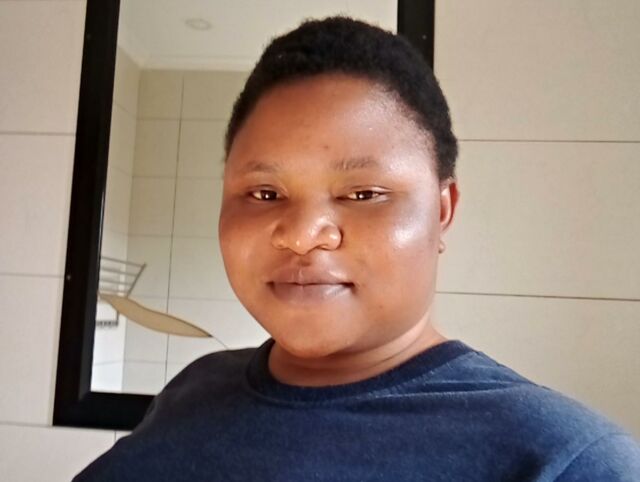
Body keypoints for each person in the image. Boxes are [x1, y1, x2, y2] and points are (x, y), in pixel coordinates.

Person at [75, 16, 640, 481]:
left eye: (363, 194)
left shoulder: (567, 462)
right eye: (265, 193)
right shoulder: (196, 387)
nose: (302, 234)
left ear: (442, 210)